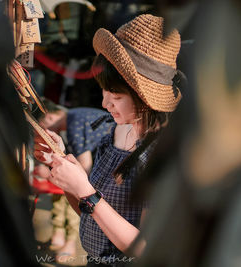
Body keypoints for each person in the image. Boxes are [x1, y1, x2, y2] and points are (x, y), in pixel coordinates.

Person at [33, 14, 182, 266]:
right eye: (104, 90)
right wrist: (62, 169)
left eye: (115, 95)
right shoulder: (113, 130)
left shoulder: (160, 154)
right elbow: (90, 213)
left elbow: (145, 246)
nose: (104, 103)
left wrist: (87, 192)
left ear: (144, 96)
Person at [32, 98, 113, 263]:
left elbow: (84, 172)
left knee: (75, 194)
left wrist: (49, 174)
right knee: (64, 188)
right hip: (105, 170)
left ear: (48, 117)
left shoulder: (74, 122)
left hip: (105, 177)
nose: (45, 131)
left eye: (43, 126)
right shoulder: (76, 116)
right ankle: (60, 234)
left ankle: (68, 239)